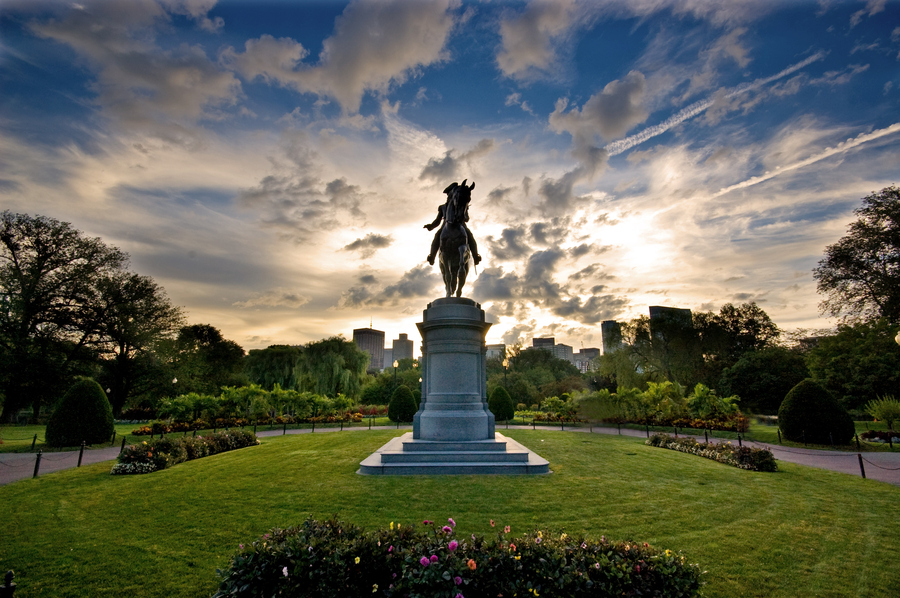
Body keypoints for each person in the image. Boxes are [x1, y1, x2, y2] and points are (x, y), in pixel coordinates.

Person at [425, 181, 481, 266]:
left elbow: (466, 218)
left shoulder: (460, 205)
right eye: (449, 195)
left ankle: (475, 256)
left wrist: (464, 216)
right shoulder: (442, 207)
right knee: (437, 236)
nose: (449, 197)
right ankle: (432, 256)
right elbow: (438, 220)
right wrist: (431, 226)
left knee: (469, 235)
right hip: (445, 227)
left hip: (461, 226)